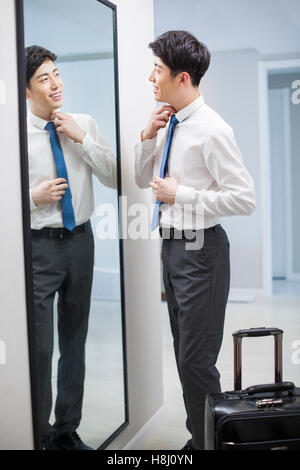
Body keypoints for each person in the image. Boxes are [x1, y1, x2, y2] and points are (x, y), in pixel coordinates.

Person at [135, 31, 256, 450]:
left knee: (196, 361)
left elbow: (244, 199)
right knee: (185, 358)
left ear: (182, 77)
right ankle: (200, 438)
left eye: (158, 71)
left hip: (202, 250)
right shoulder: (167, 121)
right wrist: (147, 136)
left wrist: (179, 195)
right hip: (172, 248)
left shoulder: (213, 129)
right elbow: (139, 180)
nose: (152, 78)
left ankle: (214, 442)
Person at [25, 45, 117, 450]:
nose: (55, 84)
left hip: (81, 241)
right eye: (43, 78)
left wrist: (83, 140)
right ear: (27, 91)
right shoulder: (13, 139)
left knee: (75, 341)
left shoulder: (84, 123)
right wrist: (33, 196)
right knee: (41, 347)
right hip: (38, 249)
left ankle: (66, 430)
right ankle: (39, 434)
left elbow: (116, 177)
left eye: (56, 74)